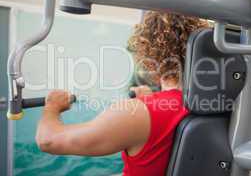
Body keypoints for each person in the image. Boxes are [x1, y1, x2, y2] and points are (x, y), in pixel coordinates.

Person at [35, 11, 208, 176]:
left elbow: (48, 140)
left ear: (149, 59)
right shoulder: (220, 106)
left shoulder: (135, 113)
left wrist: (52, 107)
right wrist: (149, 104)